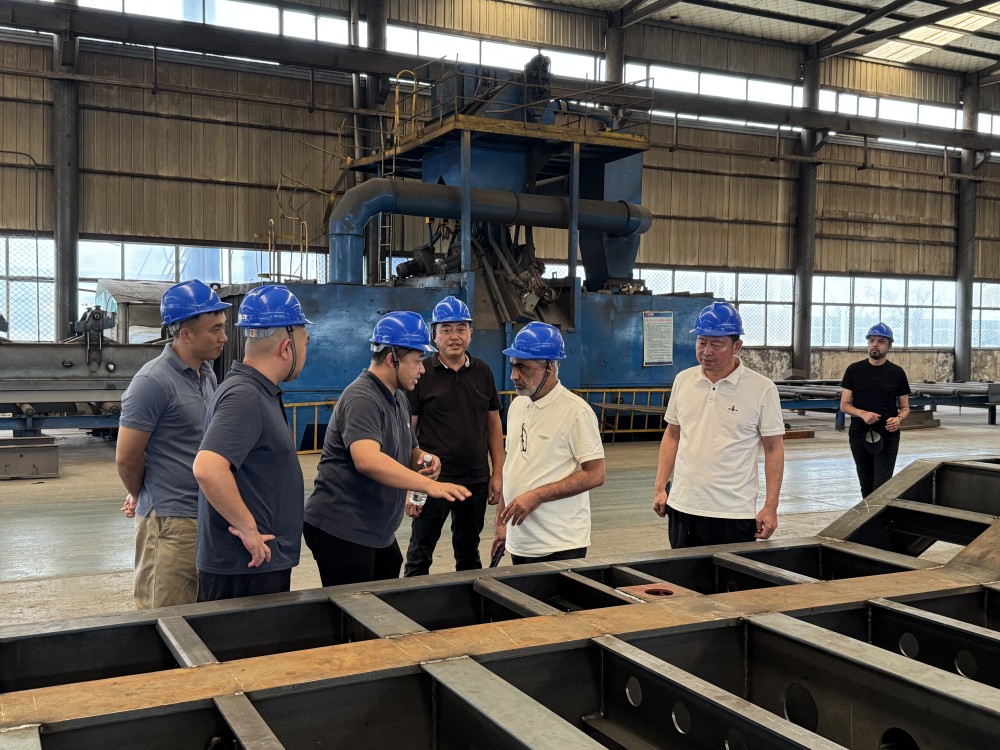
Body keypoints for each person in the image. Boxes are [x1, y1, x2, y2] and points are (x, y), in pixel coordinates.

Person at [303, 311, 472, 587]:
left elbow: (409, 449)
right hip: (342, 528)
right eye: (417, 361)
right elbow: (367, 460)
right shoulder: (362, 398)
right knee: (357, 615)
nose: (422, 369)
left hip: (375, 529)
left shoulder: (398, 398)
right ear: (393, 359)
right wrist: (428, 486)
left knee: (387, 578)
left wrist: (424, 458)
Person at [192, 285, 311, 601]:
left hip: (255, 565)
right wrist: (247, 528)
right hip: (245, 568)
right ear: (287, 347)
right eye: (305, 342)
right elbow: (208, 467)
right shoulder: (245, 396)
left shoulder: (258, 392)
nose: (305, 351)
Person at [116, 279, 230, 609]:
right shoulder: (152, 382)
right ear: (185, 333)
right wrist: (142, 494)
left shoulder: (207, 374)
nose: (224, 337)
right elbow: (127, 457)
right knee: (165, 617)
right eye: (215, 329)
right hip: (169, 524)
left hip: (205, 516)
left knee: (200, 616)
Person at [652, 302, 785, 548]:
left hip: (732, 512)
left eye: (717, 344)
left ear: (737, 346)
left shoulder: (761, 389)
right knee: (683, 580)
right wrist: (661, 486)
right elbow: (672, 435)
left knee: (730, 585)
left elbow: (774, 449)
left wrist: (770, 506)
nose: (707, 351)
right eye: (702, 342)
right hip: (683, 506)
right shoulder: (683, 381)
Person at [403, 296, 505, 576]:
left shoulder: (483, 371)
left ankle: (471, 612)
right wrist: (412, 486)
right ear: (434, 335)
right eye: (446, 329)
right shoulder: (421, 372)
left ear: (471, 333)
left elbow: (494, 425)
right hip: (432, 481)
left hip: (474, 479)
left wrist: (498, 474)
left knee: (469, 553)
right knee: (419, 553)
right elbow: (408, 434)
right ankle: (409, 609)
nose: (454, 336)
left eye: (461, 328)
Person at [491, 322, 605, 565]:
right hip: (522, 541)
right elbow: (512, 466)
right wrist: (501, 523)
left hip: (559, 544)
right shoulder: (518, 405)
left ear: (550, 368)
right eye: (513, 366)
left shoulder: (576, 412)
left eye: (523, 367)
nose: (513, 376)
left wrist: (538, 496)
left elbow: (595, 474)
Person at [840, 322, 911, 498]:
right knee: (866, 485)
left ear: (889, 346)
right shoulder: (854, 370)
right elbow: (844, 404)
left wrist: (899, 419)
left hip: (887, 434)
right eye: (871, 340)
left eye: (880, 341)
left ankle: (881, 523)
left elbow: (905, 407)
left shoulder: (897, 373)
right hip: (859, 435)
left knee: (882, 486)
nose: (874, 344)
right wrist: (862, 414)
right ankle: (869, 524)